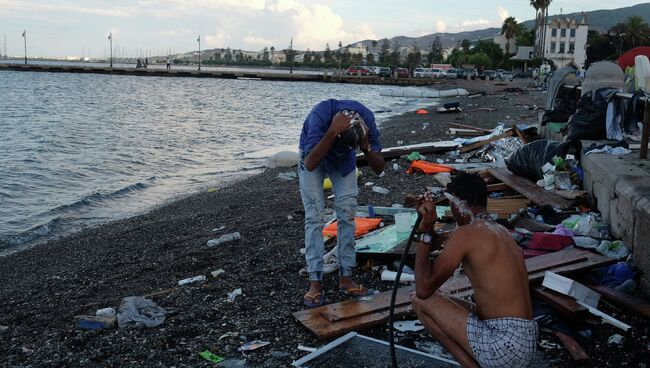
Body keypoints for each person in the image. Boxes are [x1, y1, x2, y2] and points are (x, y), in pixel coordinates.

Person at [411, 172, 538, 368]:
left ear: (458, 204)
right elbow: (439, 241)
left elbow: (423, 289)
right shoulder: (498, 230)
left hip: (504, 348)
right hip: (525, 342)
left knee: (419, 300)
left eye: (452, 204)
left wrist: (425, 231)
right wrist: (426, 227)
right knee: (450, 303)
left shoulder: (466, 234)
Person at [298, 99, 385, 308]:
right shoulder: (320, 115)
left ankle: (346, 277)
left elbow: (379, 168)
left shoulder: (367, 120)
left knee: (347, 214)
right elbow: (310, 164)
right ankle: (315, 281)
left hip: (343, 160)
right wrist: (331, 133)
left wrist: (365, 147)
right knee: (315, 216)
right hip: (314, 153)